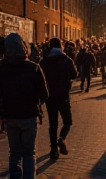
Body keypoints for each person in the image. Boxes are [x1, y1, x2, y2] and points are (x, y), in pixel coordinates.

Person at [0, 32, 48, 179]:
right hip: (28, 115)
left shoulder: (1, 68)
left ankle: (14, 176)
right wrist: (36, 101)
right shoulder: (33, 67)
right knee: (28, 152)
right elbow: (44, 94)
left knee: (14, 152)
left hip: (9, 115)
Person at [40, 37, 77, 160]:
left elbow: (39, 77)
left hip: (50, 97)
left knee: (53, 124)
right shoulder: (66, 59)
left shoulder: (44, 61)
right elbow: (74, 74)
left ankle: (53, 150)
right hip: (63, 95)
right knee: (67, 121)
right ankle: (62, 138)